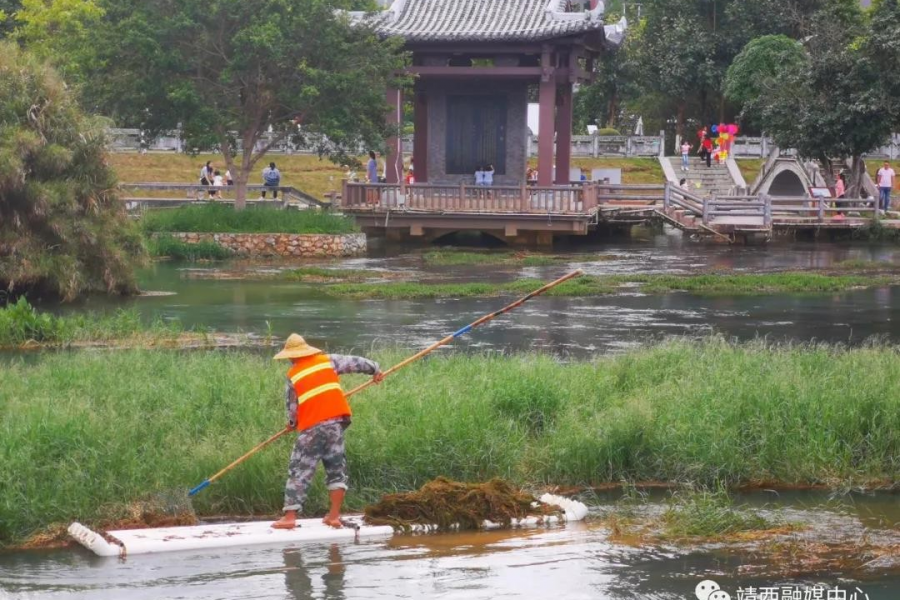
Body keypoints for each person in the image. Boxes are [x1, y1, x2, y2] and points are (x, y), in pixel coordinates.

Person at [271, 334, 384, 530]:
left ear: (292, 356)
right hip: (336, 425)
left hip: (312, 427)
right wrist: (375, 369)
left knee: (300, 469)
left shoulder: (293, 374)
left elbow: (292, 407)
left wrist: (292, 423)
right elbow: (356, 362)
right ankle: (333, 516)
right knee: (336, 469)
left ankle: (289, 518)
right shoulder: (328, 360)